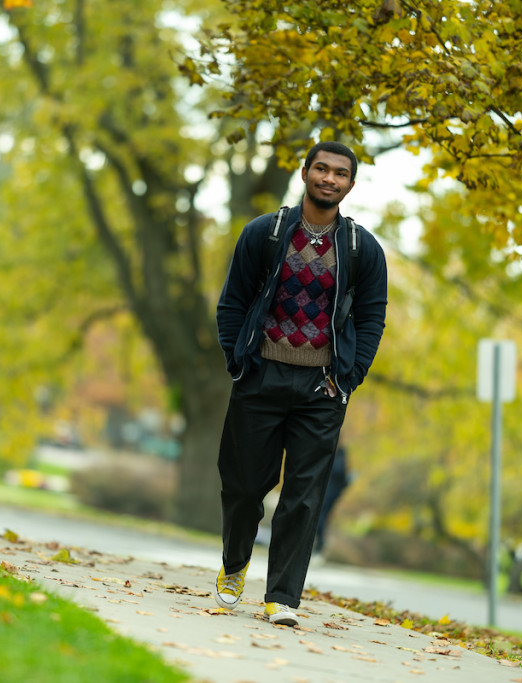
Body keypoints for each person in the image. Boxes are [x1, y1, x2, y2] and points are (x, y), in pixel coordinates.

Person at [214, 141, 387, 626]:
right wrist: (237, 363)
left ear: (350, 185)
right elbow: (232, 302)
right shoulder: (264, 234)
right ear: (306, 172)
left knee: (305, 495)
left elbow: (373, 318)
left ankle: (283, 598)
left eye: (340, 173)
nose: (329, 179)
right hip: (260, 375)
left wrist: (348, 378)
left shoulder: (361, 249)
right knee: (244, 485)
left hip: (323, 388)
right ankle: (235, 561)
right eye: (322, 169)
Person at [312, 444, 353, 563]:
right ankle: (319, 546)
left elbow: (340, 473)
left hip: (328, 496)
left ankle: (319, 547)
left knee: (320, 520)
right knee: (317, 519)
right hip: (321, 493)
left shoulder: (340, 454)